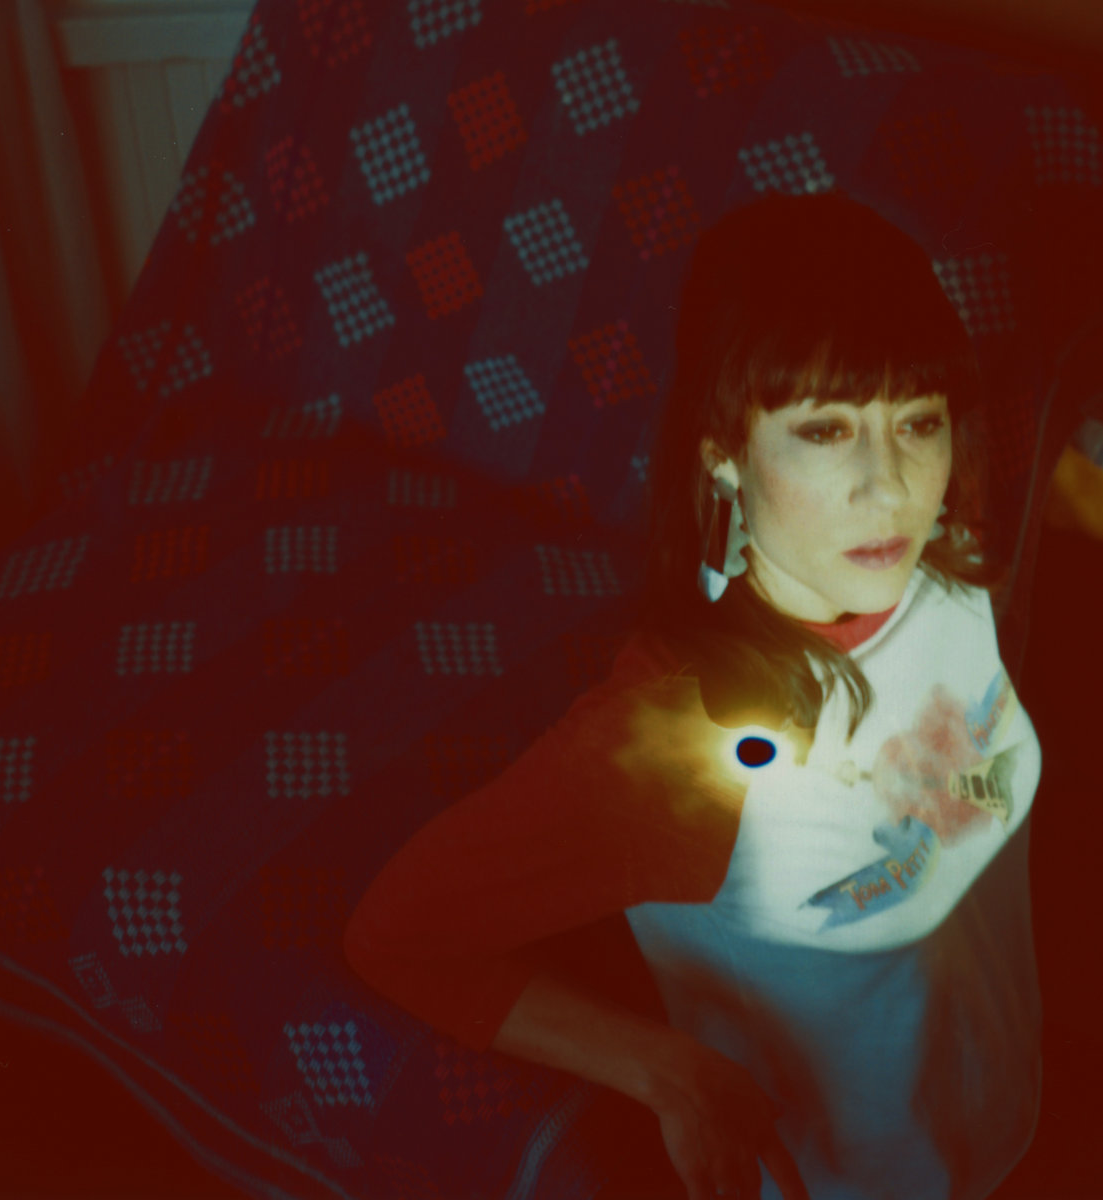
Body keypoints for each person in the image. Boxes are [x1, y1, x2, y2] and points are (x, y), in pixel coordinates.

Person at [343, 191, 1043, 1200]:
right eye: (825, 429)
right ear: (723, 455)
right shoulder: (678, 746)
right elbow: (397, 938)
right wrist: (665, 1071)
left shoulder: (948, 571)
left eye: (917, 422)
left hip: (1007, 1123)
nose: (889, 485)